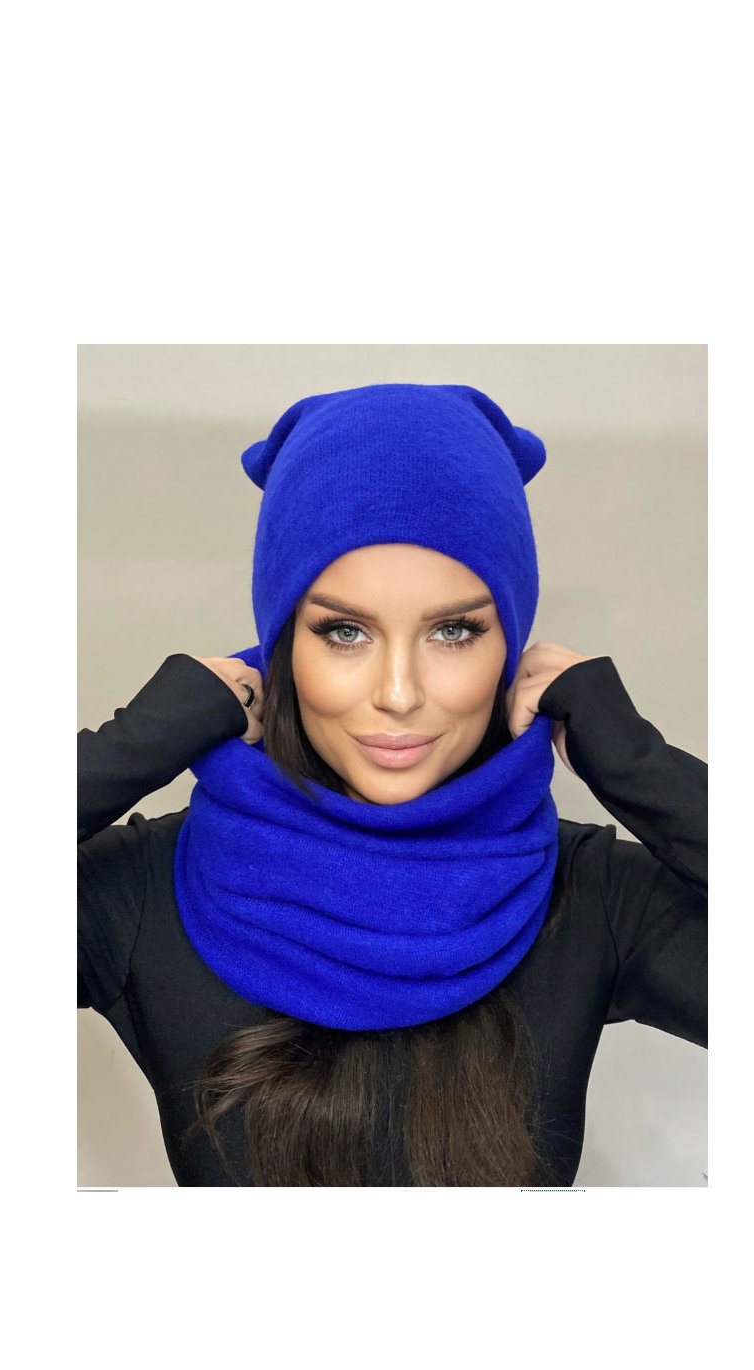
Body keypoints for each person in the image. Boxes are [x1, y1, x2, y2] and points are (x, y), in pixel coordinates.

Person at [78, 382, 707, 1186]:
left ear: (510, 648)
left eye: (454, 630)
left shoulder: (589, 896)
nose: (399, 693)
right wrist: (133, 746)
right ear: (282, 646)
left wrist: (637, 763)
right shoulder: (150, 890)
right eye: (345, 631)